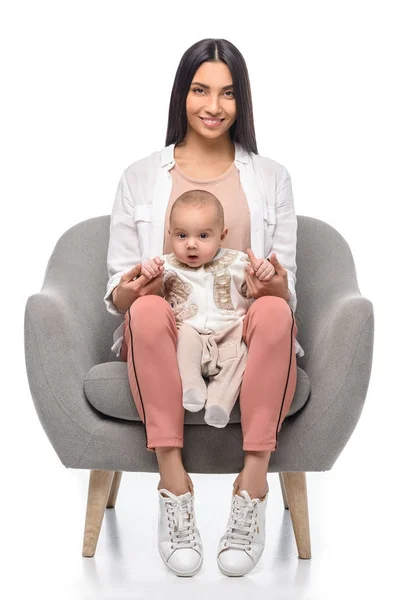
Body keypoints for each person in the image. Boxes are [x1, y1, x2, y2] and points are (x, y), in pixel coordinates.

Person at [103, 38, 304, 578]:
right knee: (144, 310)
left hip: (244, 326)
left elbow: (287, 293)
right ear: (182, 94)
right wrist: (134, 285)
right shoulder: (141, 176)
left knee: (277, 314)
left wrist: (276, 284)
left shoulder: (272, 177)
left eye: (228, 93)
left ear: (242, 102)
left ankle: (252, 487)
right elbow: (116, 295)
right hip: (170, 329)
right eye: (200, 89)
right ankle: (175, 488)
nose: (213, 105)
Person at [139, 188, 277, 429]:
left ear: (221, 235)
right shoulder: (166, 267)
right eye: (182, 236)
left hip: (228, 333)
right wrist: (148, 274)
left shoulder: (238, 262)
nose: (191, 245)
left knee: (241, 354)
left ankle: (219, 402)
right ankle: (191, 384)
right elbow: (149, 300)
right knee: (184, 337)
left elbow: (256, 288)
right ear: (169, 233)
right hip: (188, 334)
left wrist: (265, 272)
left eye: (203, 236)